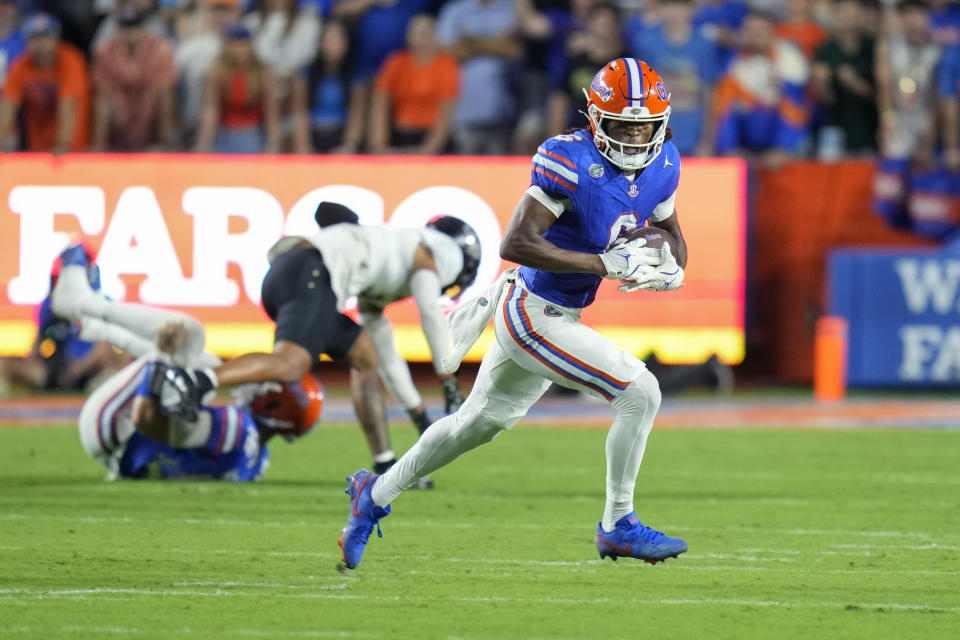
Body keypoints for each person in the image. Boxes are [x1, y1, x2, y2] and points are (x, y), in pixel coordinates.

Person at [338, 57, 690, 570]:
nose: (635, 137)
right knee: (640, 393)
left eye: (644, 126)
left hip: (558, 314)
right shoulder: (569, 160)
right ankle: (618, 524)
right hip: (532, 311)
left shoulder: (664, 164)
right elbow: (516, 241)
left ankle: (373, 495)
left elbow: (673, 238)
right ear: (596, 119)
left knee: (471, 427)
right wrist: (603, 263)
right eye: (623, 125)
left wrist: (671, 269)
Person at [166, 205, 482, 479]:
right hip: (313, 270)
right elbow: (429, 308)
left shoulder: (390, 258)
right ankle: (194, 381)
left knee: (365, 357)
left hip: (298, 271)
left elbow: (385, 354)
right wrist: (449, 381)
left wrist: (419, 416)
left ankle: (386, 464)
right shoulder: (442, 251)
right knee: (291, 364)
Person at [50, 244, 323, 481]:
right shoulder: (256, 462)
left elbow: (148, 420)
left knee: (190, 335)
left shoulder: (238, 428)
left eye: (266, 383)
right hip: (122, 451)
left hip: (114, 427)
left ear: (275, 403)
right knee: (201, 365)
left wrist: (162, 357)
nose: (256, 382)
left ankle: (86, 306)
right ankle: (95, 323)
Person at [366, 14, 459, 155]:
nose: (420, 40)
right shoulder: (396, 62)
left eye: (425, 34)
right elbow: (380, 103)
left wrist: (427, 151)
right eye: (415, 34)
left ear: (435, 37)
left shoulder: (446, 66)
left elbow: (446, 114)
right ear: (407, 37)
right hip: (400, 135)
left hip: (432, 139)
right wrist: (378, 144)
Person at [91, 4, 178, 152]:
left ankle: (164, 143)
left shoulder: (160, 49)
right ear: (118, 29)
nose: (130, 33)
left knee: (161, 95)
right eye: (125, 27)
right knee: (107, 100)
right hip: (118, 127)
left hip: (150, 125)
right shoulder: (106, 51)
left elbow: (165, 98)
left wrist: (165, 142)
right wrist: (99, 143)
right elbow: (102, 100)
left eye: (134, 27)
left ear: (143, 28)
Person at [0, 12, 89, 153]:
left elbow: (68, 104)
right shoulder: (20, 65)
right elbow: (7, 107)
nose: (41, 44)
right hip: (36, 149)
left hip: (73, 149)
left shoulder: (71, 60)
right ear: (27, 42)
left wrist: (63, 145)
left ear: (56, 38)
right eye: (35, 38)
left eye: (46, 37)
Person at [194, 21, 281, 154]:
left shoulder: (262, 72)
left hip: (252, 133)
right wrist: (203, 144)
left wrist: (273, 144)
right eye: (234, 44)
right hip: (224, 132)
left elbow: (271, 112)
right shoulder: (216, 70)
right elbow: (211, 109)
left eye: (242, 44)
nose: (239, 49)